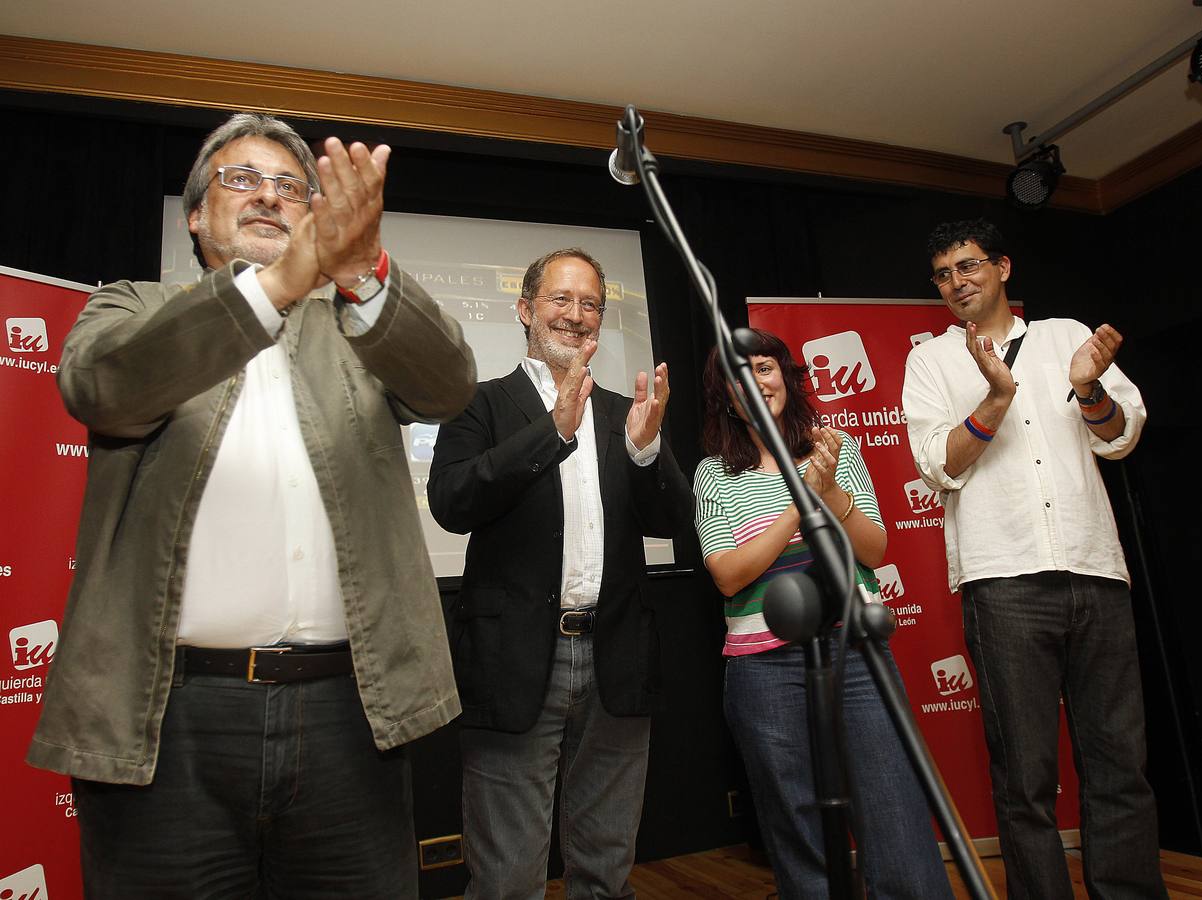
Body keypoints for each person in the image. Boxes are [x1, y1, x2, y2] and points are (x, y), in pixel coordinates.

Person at [27, 112, 476, 898]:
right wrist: (277, 284)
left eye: (289, 187)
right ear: (196, 215)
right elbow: (103, 388)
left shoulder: (356, 328)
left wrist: (363, 269)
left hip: (348, 714)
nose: (268, 196)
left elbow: (447, 386)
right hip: (167, 720)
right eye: (241, 179)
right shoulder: (129, 308)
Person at [902, 218, 1166, 899]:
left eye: (967, 266)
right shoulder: (931, 360)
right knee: (1024, 778)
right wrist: (993, 398)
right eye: (942, 274)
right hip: (1003, 580)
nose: (955, 282)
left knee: (1119, 766)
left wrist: (1086, 388)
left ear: (1002, 267)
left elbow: (1120, 436)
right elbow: (936, 467)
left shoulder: (1062, 336)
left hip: (1094, 569)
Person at [427, 248, 693, 899]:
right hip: (516, 662)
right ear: (525, 310)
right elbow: (452, 502)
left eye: (590, 303)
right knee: (507, 877)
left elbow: (671, 519)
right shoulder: (479, 404)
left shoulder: (624, 412)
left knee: (605, 866)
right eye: (560, 299)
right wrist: (551, 431)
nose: (575, 316)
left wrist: (644, 447)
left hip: (616, 659)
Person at [692, 330, 953, 900]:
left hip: (853, 650)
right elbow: (729, 574)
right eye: (740, 375)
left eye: (764, 367)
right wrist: (797, 503)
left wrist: (831, 491)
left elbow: (875, 550)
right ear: (726, 396)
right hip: (762, 668)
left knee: (894, 806)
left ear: (783, 376)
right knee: (797, 821)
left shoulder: (838, 448)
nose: (756, 382)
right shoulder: (714, 473)